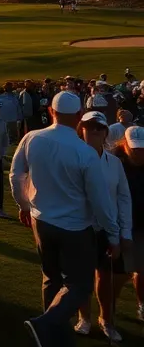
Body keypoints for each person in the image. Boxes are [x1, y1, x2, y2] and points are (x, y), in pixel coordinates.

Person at [12, 90, 119, 347]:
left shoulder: (32, 138)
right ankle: (46, 324)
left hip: (41, 220)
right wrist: (113, 234)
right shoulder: (85, 153)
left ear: (51, 112)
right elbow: (100, 200)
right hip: (75, 227)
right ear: (80, 117)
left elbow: (16, 176)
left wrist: (24, 205)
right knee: (80, 285)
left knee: (51, 277)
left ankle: (50, 334)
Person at [74, 112, 133, 342]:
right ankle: (84, 318)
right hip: (81, 227)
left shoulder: (115, 163)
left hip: (109, 231)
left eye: (99, 127)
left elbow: (123, 198)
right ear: (82, 130)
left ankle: (106, 320)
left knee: (106, 278)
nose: (95, 131)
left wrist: (124, 232)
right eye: (89, 127)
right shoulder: (73, 159)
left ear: (106, 132)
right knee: (81, 277)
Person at [113, 127, 144, 327]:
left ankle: (142, 305)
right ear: (125, 145)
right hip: (121, 225)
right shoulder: (114, 164)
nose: (139, 153)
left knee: (142, 269)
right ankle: (110, 306)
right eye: (135, 149)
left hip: (142, 225)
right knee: (120, 273)